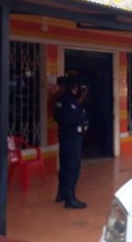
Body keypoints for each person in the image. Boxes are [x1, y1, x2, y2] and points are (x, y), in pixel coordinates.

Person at [54, 77, 88, 209]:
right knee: (73, 167)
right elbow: (74, 117)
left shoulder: (61, 99)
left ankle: (61, 193)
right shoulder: (70, 100)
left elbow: (57, 116)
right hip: (72, 137)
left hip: (64, 137)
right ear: (74, 87)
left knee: (64, 166)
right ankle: (70, 198)